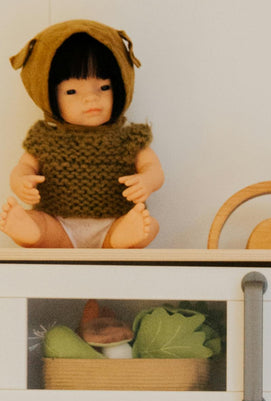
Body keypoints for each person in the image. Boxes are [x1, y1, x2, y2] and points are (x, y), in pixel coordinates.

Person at [2, 19, 162, 248]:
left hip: (114, 220)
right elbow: (24, 167)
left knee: (151, 226)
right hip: (59, 223)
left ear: (120, 86)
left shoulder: (130, 138)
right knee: (41, 224)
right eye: (72, 91)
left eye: (104, 87)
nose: (91, 98)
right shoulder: (45, 140)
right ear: (48, 95)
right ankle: (30, 231)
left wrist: (147, 181)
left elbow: (153, 168)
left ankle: (119, 239)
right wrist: (20, 181)